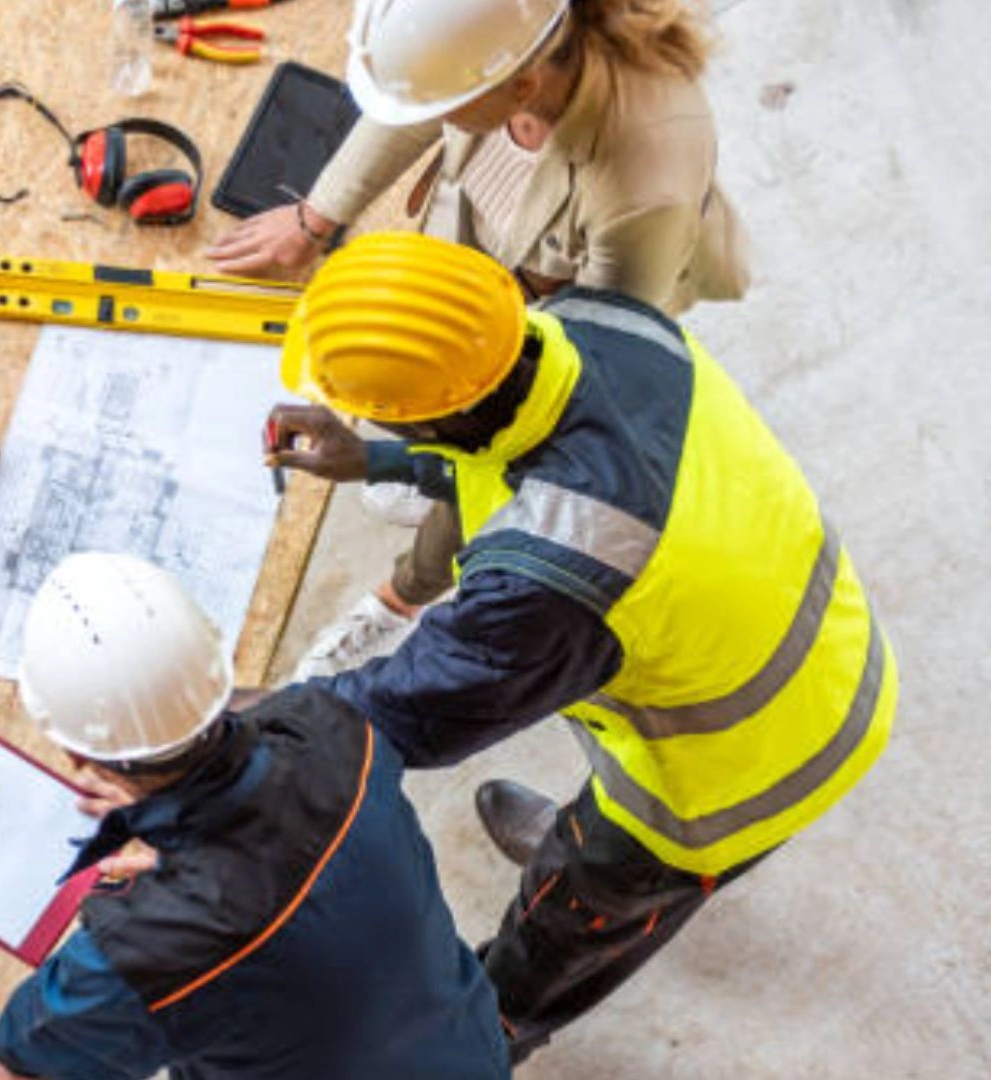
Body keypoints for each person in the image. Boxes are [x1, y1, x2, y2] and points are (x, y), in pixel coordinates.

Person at [267, 232, 896, 1064]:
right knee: (614, 738)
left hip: (748, 769)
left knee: (567, 924)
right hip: (819, 639)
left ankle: (487, 1036)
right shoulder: (597, 325)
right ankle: (583, 850)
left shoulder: (554, 576)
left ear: (430, 412)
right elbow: (502, 453)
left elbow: (405, 711)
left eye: (374, 411)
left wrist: (224, 726)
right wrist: (381, 459)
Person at [209, 0, 751, 676]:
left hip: (566, 307)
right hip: (494, 258)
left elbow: (558, 400)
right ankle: (423, 467)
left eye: (451, 105)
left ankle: (403, 598)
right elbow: (415, 104)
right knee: (435, 401)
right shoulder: (499, 46)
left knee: (494, 452)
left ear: (522, 88)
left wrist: (450, 444)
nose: (436, 116)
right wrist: (313, 219)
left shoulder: (644, 184)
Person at [0, 552, 508, 1079]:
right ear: (220, 664)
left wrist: (20, 1054)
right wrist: (177, 831)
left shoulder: (145, 953)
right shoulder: (335, 729)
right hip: (465, 1052)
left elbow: (33, 1053)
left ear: (76, 753)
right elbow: (266, 753)